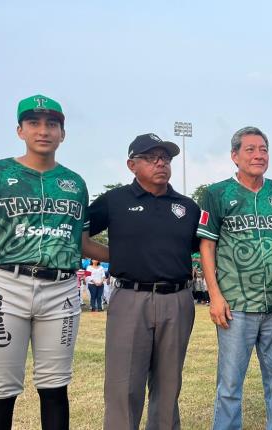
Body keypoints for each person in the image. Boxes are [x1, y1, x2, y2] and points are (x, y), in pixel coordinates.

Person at [0, 94, 107, 429]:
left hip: (60, 290)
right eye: (34, 123)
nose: (43, 130)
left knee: (55, 387)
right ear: (20, 130)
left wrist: (139, 256)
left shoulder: (74, 183)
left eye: (52, 124)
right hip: (5, 286)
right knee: (1, 391)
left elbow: (83, 242)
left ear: (63, 133)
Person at [198, 126, 272, 430]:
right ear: (235, 156)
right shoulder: (218, 193)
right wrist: (215, 296)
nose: (258, 154)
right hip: (237, 304)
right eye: (250, 149)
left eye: (263, 149)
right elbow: (207, 246)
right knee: (230, 385)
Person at [88, 133, 200, 429]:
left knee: (168, 385)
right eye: (151, 158)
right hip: (130, 298)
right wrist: (118, 255)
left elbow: (204, 249)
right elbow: (78, 237)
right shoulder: (114, 200)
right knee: (124, 386)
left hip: (177, 299)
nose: (161, 163)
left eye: (166, 158)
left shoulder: (188, 207)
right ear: (131, 164)